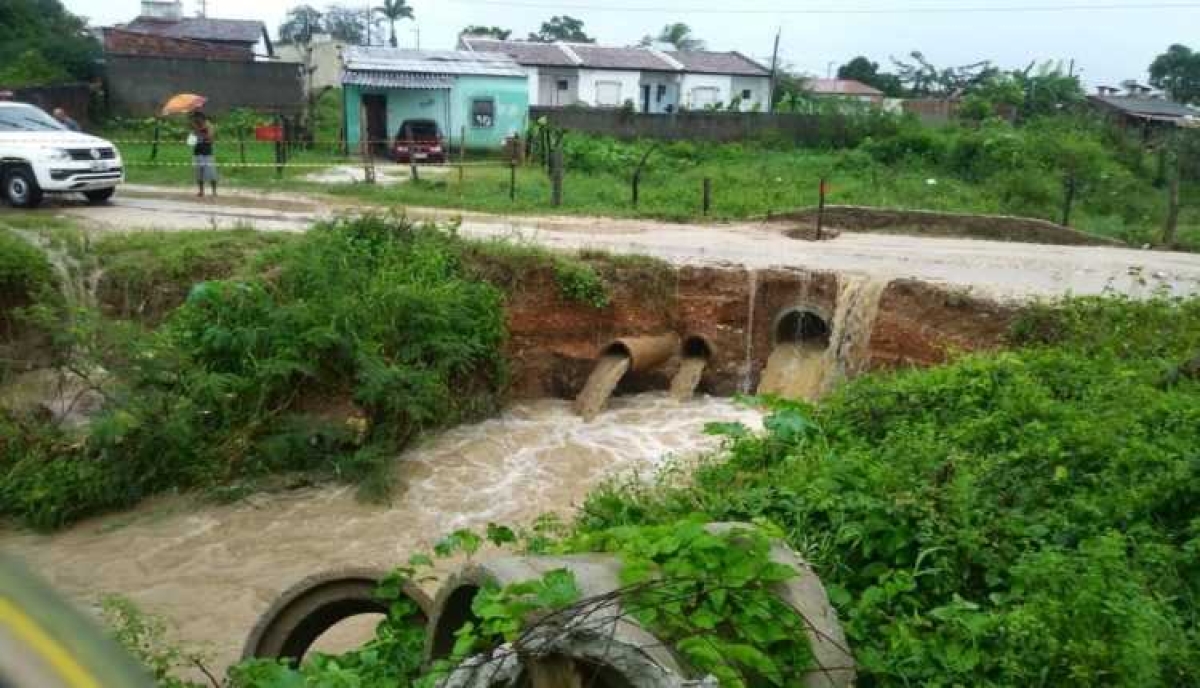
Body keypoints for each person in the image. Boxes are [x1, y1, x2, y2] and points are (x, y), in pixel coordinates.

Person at [189, 111, 217, 198]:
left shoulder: (209, 126)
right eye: (193, 119)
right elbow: (191, 140)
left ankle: (214, 191)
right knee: (199, 172)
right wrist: (194, 132)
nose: (195, 120)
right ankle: (201, 191)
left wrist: (200, 131)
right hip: (197, 152)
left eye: (196, 118)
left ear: (201, 118)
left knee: (211, 172)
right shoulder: (195, 127)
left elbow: (210, 138)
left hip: (207, 152)